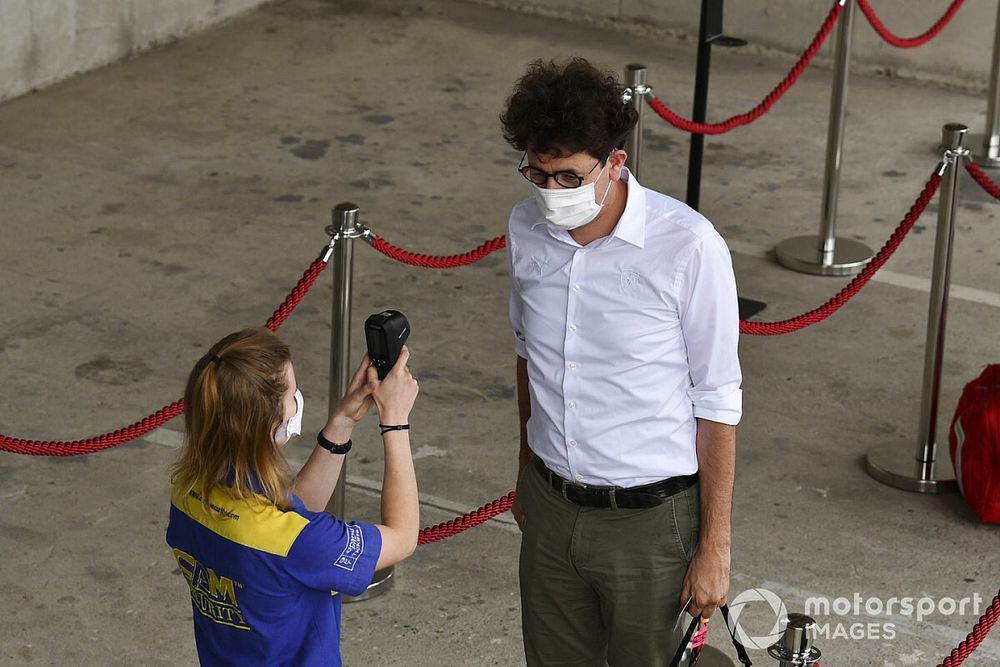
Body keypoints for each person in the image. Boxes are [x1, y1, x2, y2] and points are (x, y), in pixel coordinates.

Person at [502, 58, 743, 666]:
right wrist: (526, 469)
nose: (550, 192)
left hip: (652, 526)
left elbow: (716, 400)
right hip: (551, 510)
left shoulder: (687, 246)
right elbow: (528, 357)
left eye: (568, 177)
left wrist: (715, 544)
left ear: (614, 163)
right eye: (537, 173)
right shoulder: (524, 227)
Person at [166, 327, 419, 666]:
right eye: (293, 395)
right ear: (272, 424)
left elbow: (289, 519)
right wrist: (396, 422)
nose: (298, 400)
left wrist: (342, 424)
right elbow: (403, 538)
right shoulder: (303, 544)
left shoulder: (187, 492)